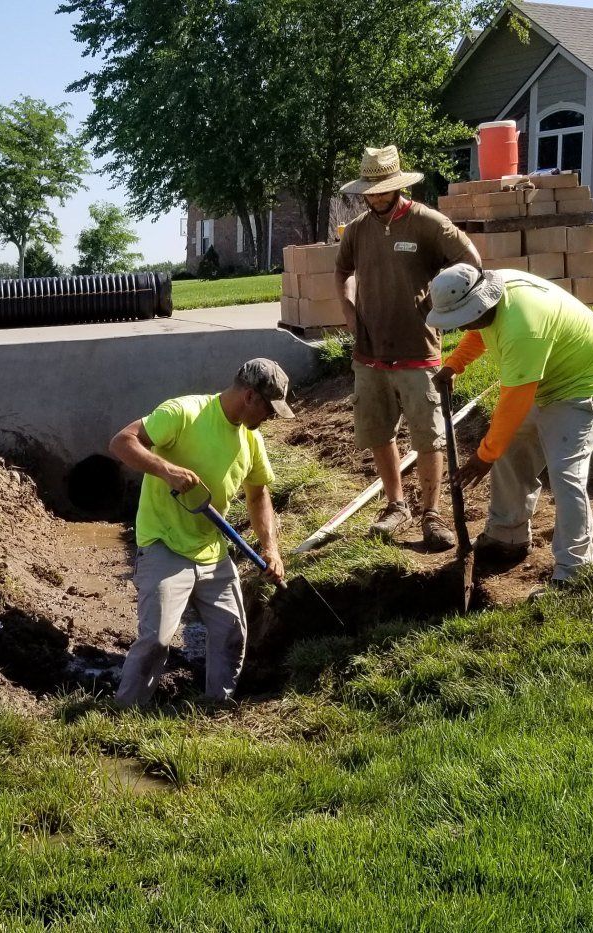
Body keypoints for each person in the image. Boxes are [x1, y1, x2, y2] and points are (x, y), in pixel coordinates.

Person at [428, 263, 593, 588]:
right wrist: (454, 364)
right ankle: (507, 535)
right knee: (509, 447)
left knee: (565, 470)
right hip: (546, 378)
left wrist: (484, 456)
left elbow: (514, 403)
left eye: (463, 317)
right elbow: (480, 332)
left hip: (588, 384)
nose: (461, 325)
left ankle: (576, 570)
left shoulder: (523, 325)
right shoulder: (491, 299)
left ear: (481, 301)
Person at [108, 359, 293, 707]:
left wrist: (271, 548)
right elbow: (122, 442)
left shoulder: (251, 440)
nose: (271, 418)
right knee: (157, 639)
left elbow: (258, 495)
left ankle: (217, 708)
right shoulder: (184, 412)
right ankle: (126, 711)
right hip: (164, 542)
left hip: (211, 549)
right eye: (270, 409)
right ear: (250, 396)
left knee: (232, 633)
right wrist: (165, 469)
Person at [335, 145, 483, 546]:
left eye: (384, 189)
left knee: (428, 434)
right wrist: (349, 310)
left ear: (398, 186)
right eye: (371, 191)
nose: (377, 197)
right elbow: (343, 271)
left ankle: (432, 514)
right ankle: (396, 505)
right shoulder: (361, 230)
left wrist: (446, 303)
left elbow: (471, 262)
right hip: (370, 352)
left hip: (418, 349)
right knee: (379, 431)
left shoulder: (428, 223)